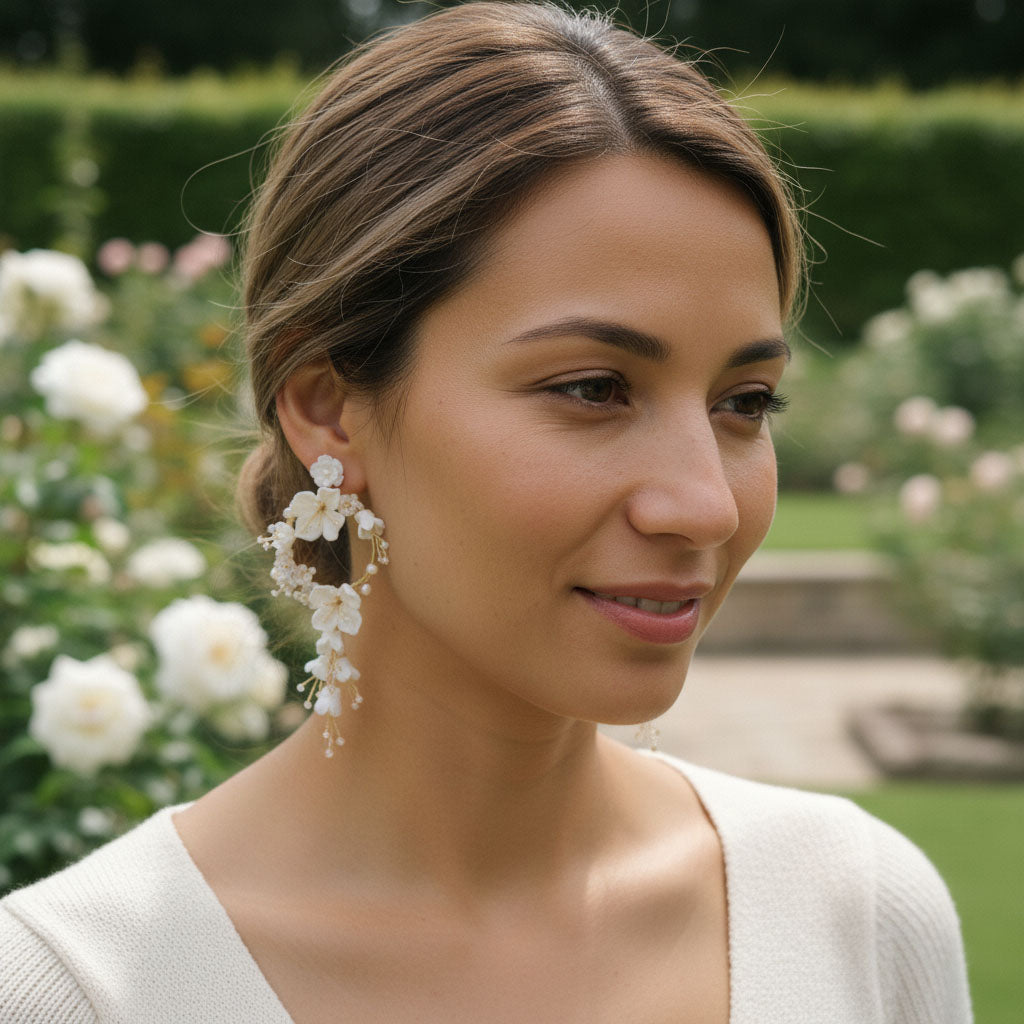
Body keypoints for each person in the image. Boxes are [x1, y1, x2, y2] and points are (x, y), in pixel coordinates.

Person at [0, 3, 971, 1021]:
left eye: (744, 404)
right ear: (328, 408)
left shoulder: (855, 914)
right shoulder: (78, 987)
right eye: (594, 387)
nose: (704, 505)